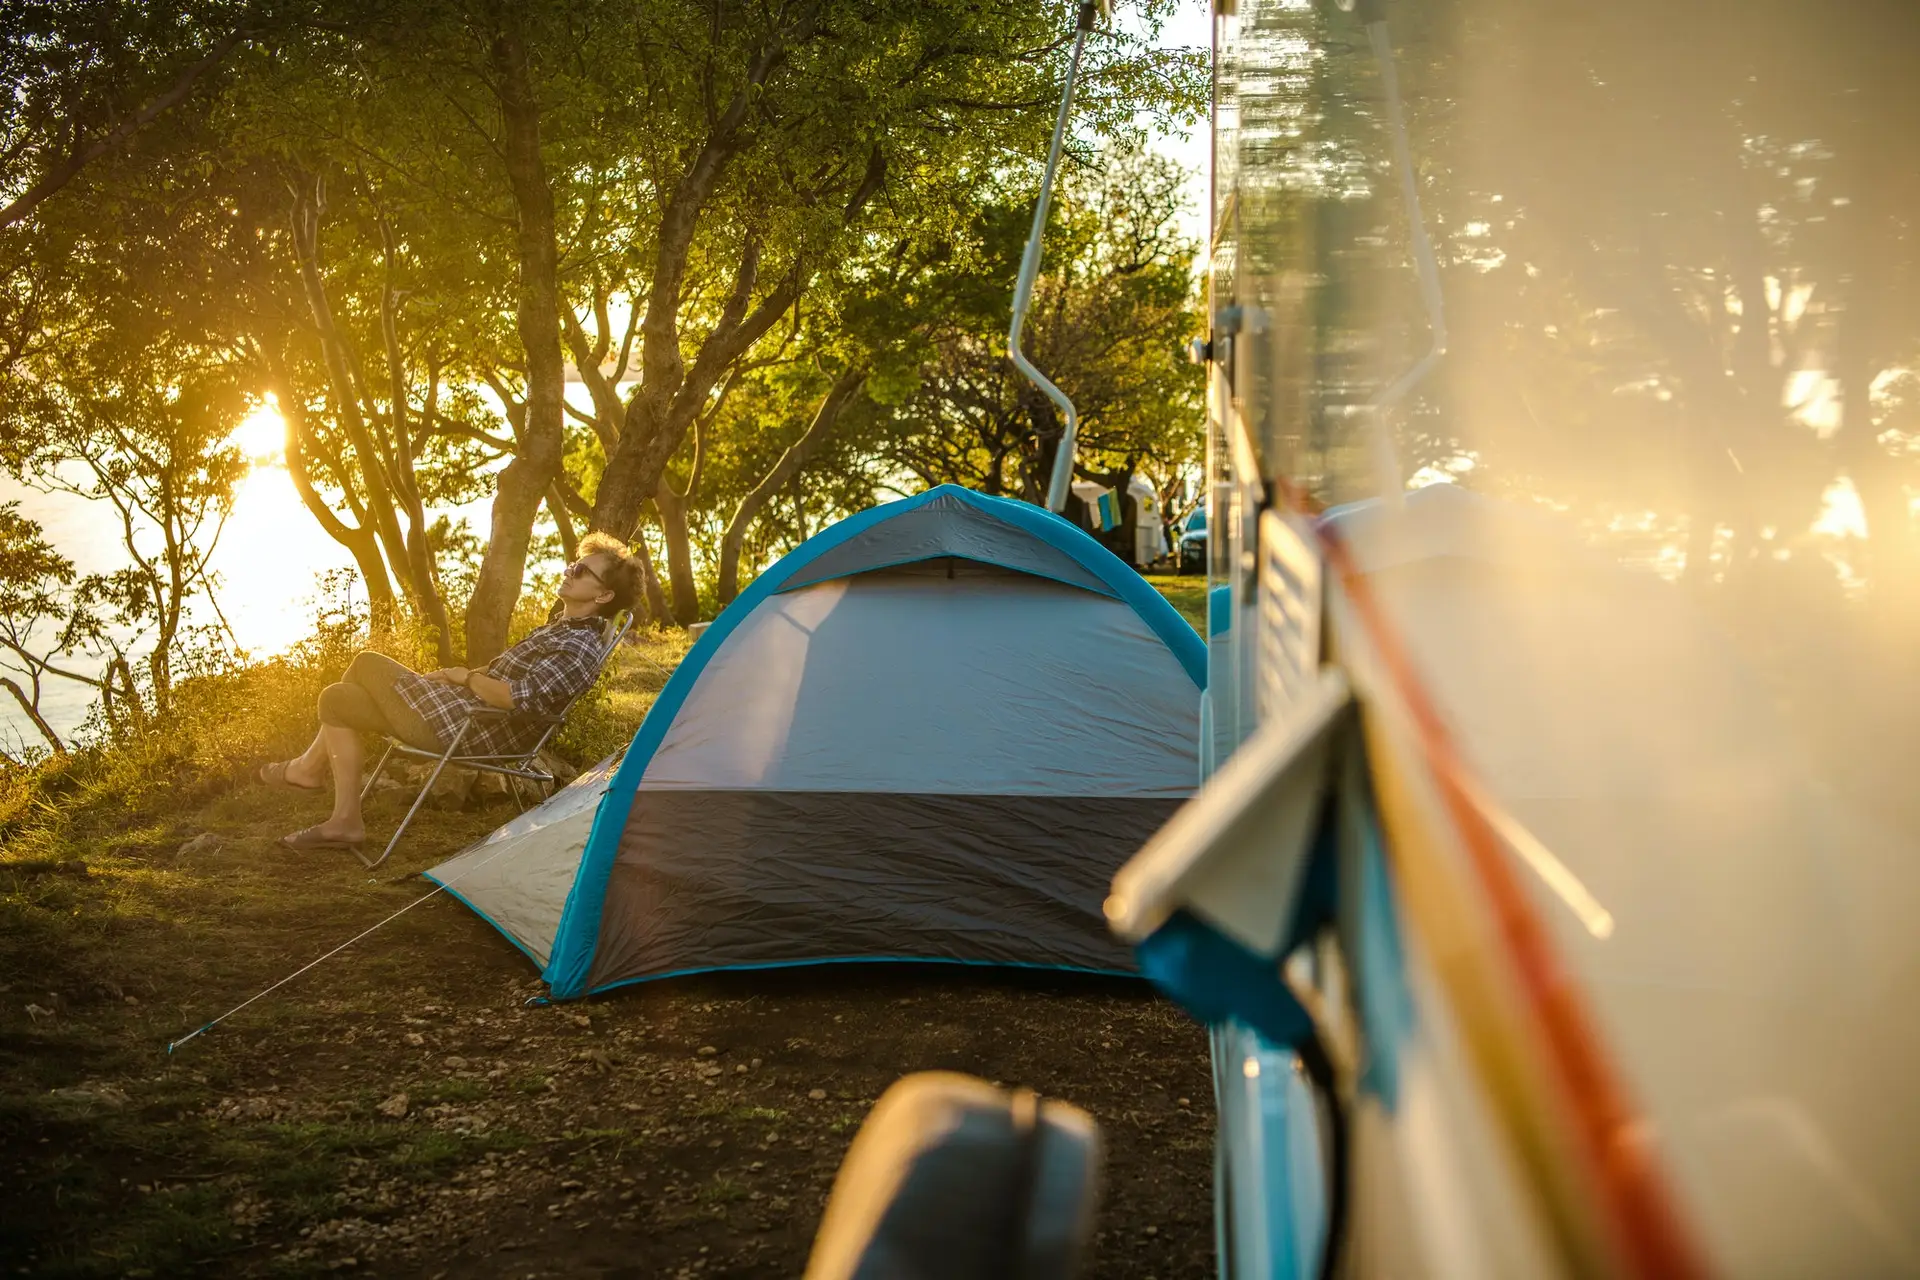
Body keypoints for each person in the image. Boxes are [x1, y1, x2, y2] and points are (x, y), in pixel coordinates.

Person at [257, 534, 642, 853]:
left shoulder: (579, 646)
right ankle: (344, 820)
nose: (569, 571)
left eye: (581, 570)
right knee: (337, 699)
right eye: (572, 565)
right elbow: (500, 676)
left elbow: (513, 697)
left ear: (604, 596)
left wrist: (465, 679)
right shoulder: (561, 629)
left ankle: (307, 770)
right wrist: (457, 677)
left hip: (469, 729)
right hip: (460, 712)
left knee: (366, 663)